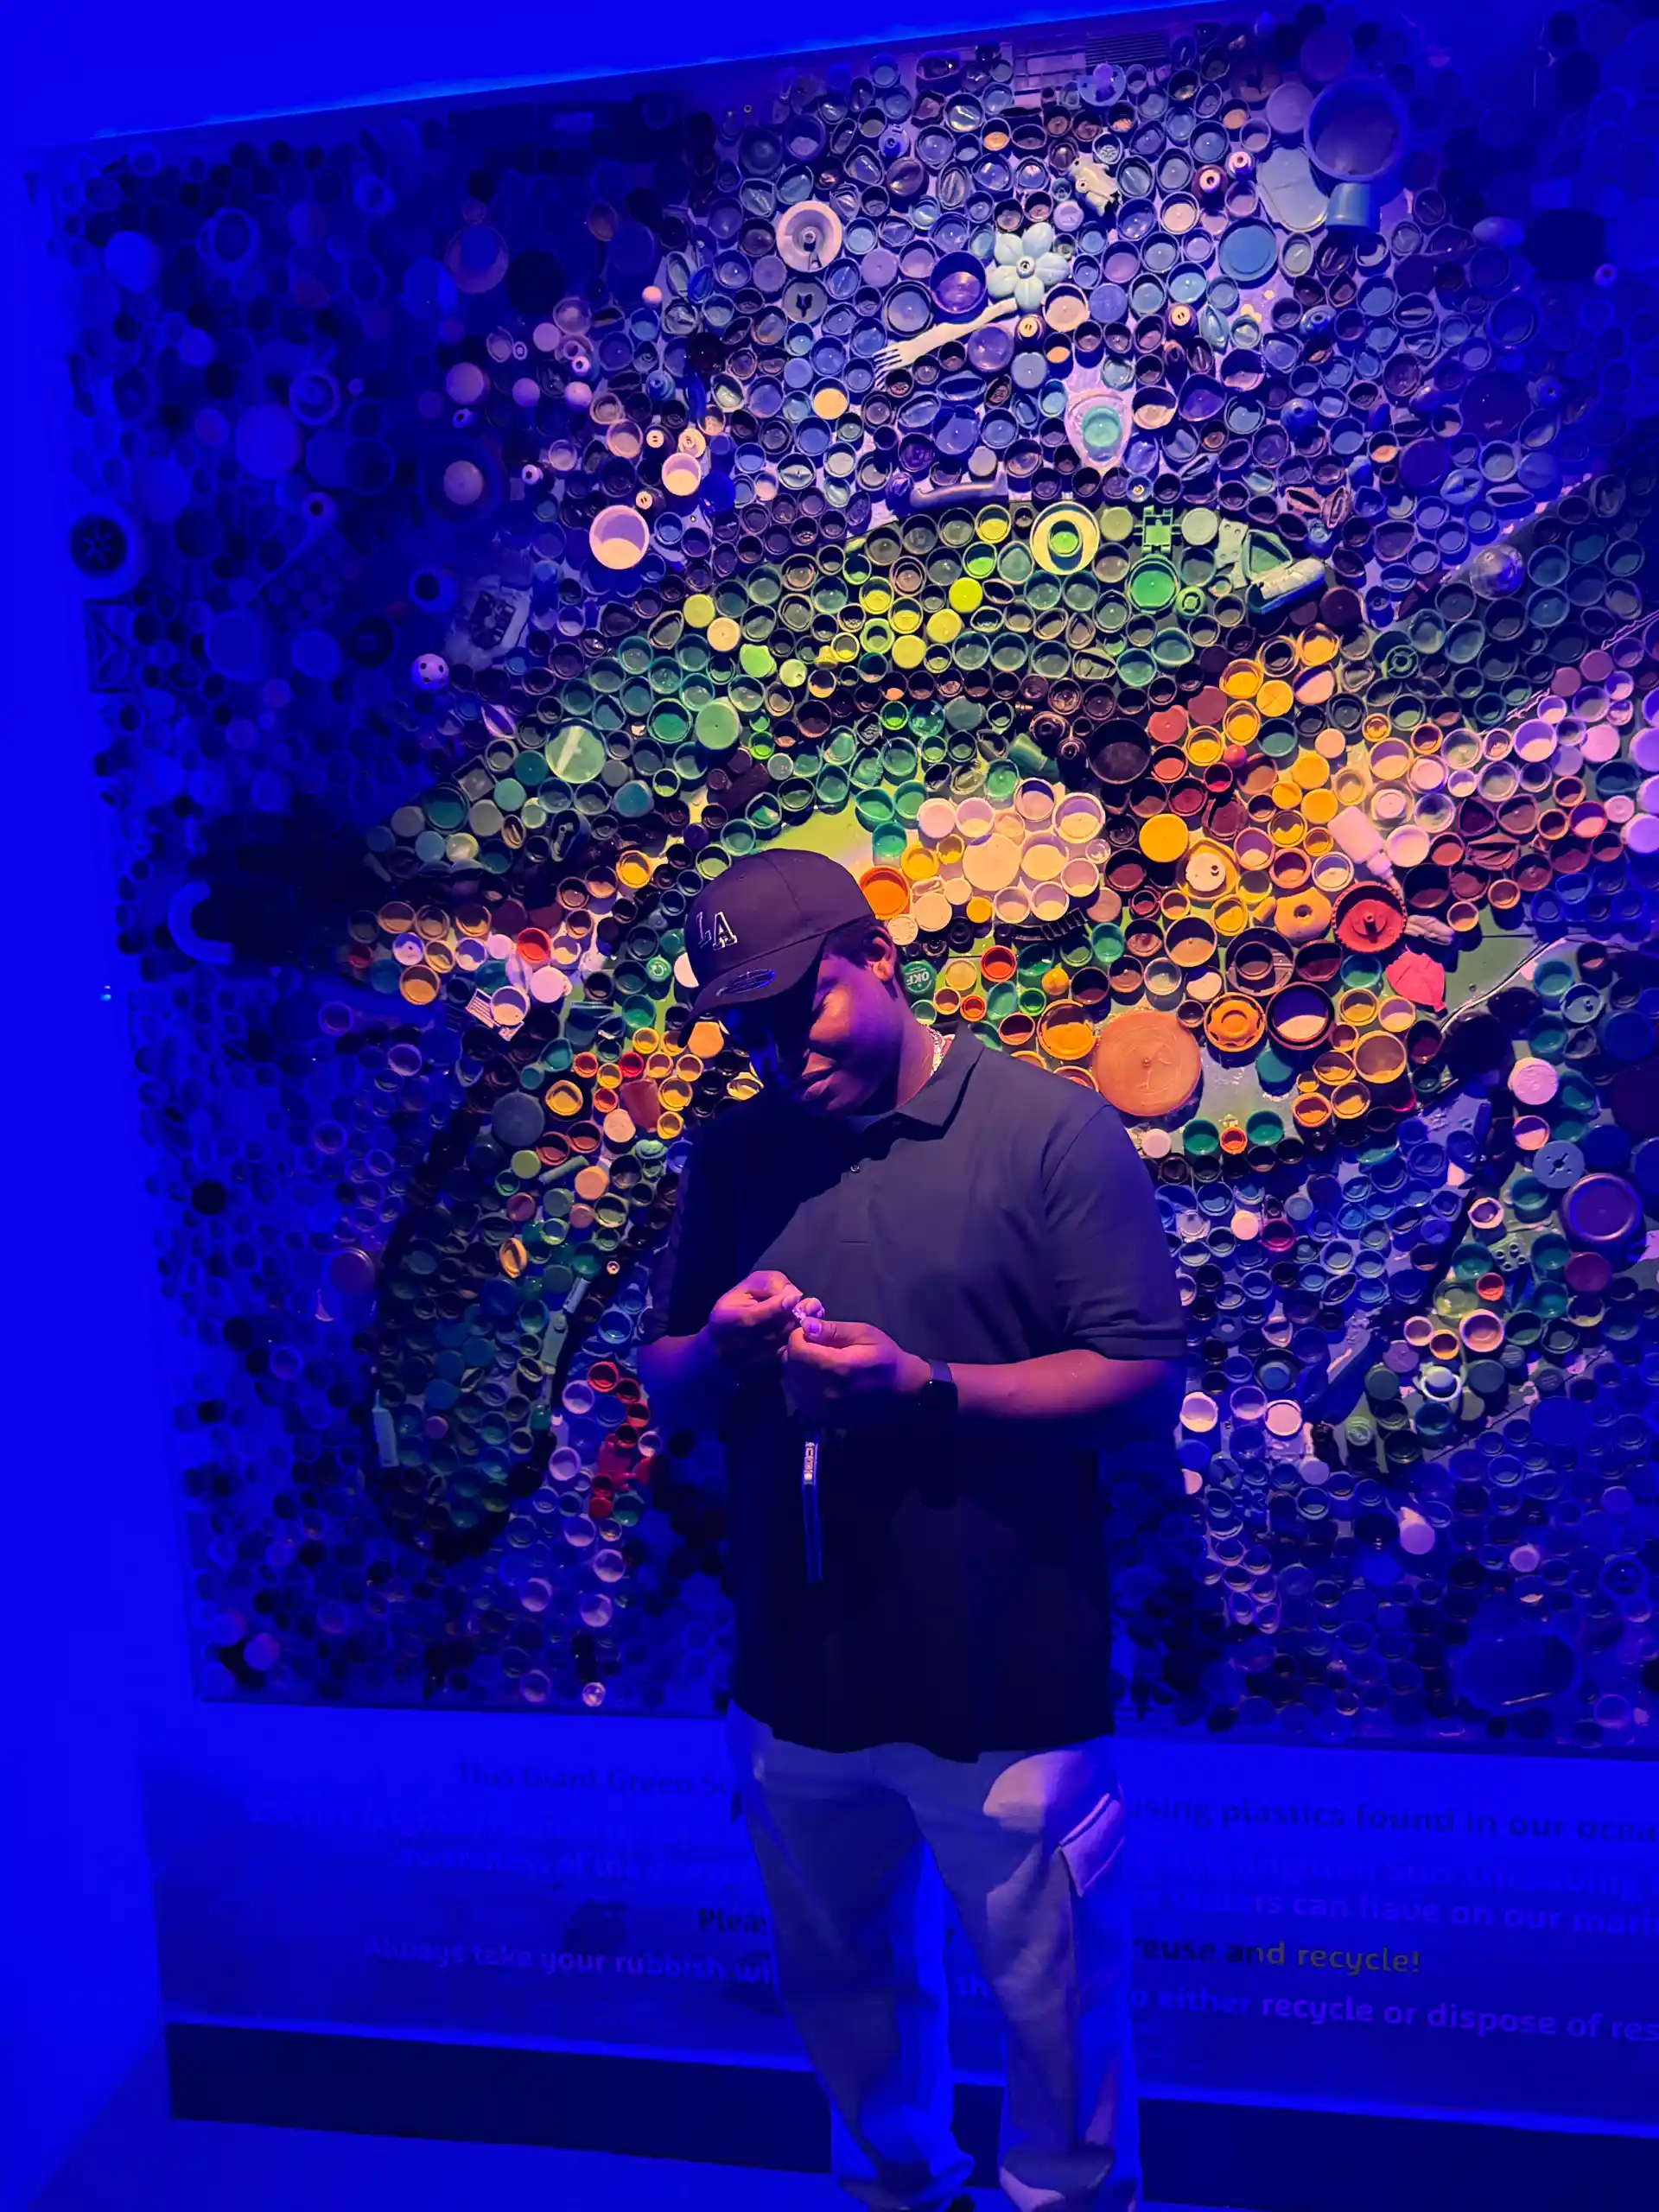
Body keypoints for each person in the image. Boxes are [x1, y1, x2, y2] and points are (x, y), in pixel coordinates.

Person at [638, 847, 1185, 2212]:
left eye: (803, 1006)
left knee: (1060, 2040)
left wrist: (926, 1387)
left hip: (1011, 1682)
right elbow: (671, 1390)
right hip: (795, 1684)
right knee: (847, 2017)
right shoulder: (738, 1150)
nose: (782, 1053)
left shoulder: (1050, 1130)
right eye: (749, 1029)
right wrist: (722, 1346)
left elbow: (1141, 1382)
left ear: (879, 958)